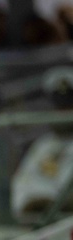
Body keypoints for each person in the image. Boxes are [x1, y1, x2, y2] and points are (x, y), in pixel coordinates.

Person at [11, 66, 73, 219]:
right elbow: (20, 184)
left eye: (68, 106)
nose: (62, 113)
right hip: (30, 221)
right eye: (59, 106)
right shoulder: (42, 145)